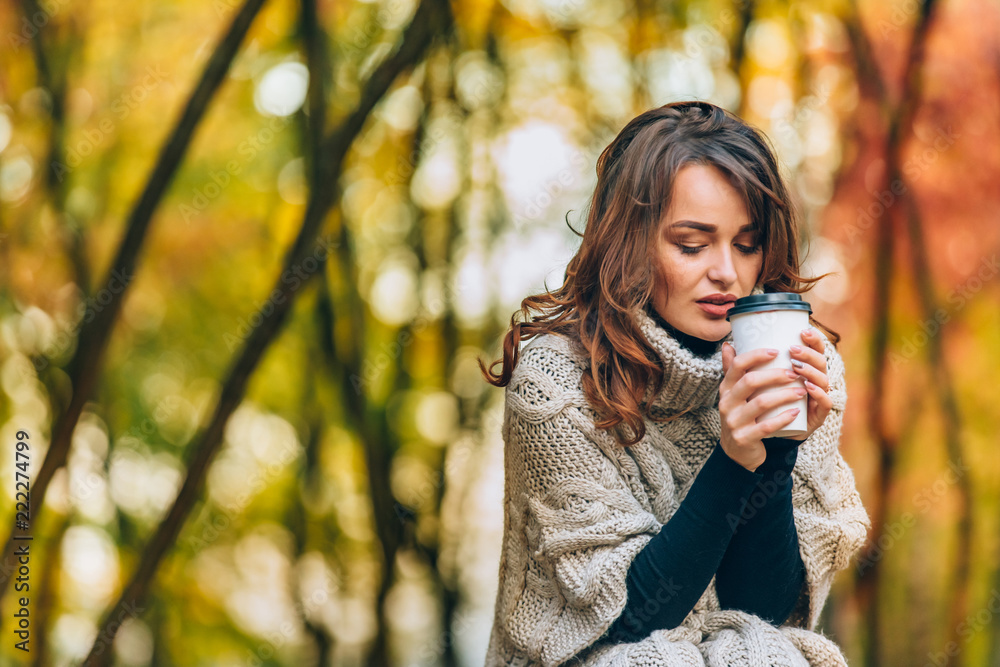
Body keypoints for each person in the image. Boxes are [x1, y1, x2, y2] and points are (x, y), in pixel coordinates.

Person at [478, 101, 871, 666]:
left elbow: (764, 612)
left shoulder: (804, 366)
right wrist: (734, 461)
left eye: (746, 243)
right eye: (692, 244)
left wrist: (779, 449)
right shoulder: (556, 381)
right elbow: (631, 619)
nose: (727, 273)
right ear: (631, 244)